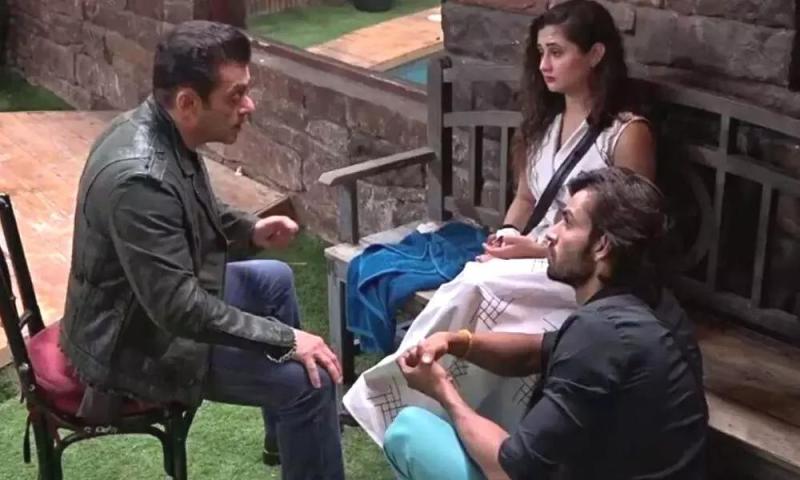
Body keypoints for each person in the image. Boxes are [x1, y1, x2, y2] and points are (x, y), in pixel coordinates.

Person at [344, 0, 656, 443]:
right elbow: (527, 198)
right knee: (478, 277)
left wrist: (534, 248)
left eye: (557, 52)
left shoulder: (626, 133)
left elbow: (629, 232)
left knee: (475, 283)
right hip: (536, 259)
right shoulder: (545, 123)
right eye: (540, 53)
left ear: (596, 54)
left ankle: (388, 395)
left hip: (588, 273)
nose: (544, 65)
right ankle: (434, 408)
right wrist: (506, 235)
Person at [58, 21, 345, 479]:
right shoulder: (139, 180)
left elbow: (191, 207)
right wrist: (287, 339)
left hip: (144, 308)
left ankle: (288, 435)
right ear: (189, 103)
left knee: (274, 278)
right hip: (132, 347)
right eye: (236, 95)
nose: (249, 106)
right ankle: (301, 410)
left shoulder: (160, 125)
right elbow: (181, 311)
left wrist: (251, 230)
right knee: (311, 383)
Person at [384, 167, 708, 480]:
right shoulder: (649, 306)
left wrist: (443, 390)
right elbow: (536, 351)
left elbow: (512, 471)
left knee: (410, 432)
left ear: (602, 246)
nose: (551, 234)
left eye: (567, 221)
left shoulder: (603, 332)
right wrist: (459, 341)